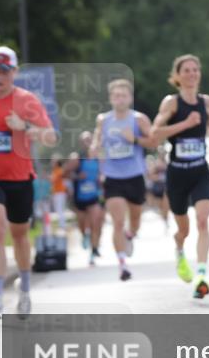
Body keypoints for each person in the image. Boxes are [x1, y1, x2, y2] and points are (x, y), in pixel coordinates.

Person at [0, 46, 56, 318]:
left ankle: (24, 290)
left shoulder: (26, 101)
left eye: (5, 70)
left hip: (20, 177)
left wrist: (24, 127)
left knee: (20, 234)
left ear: (14, 72)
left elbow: (51, 137)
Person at [150, 54, 209, 299]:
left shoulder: (207, 103)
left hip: (200, 170)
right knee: (184, 229)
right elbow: (155, 133)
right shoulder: (171, 104)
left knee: (203, 220)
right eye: (187, 70)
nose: (192, 74)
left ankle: (201, 275)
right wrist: (184, 124)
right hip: (177, 174)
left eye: (195, 70)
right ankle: (179, 247)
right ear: (178, 76)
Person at [91, 79, 154, 282]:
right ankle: (122, 265)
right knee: (117, 221)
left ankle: (130, 235)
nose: (119, 99)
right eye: (116, 96)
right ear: (111, 98)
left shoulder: (139, 119)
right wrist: (94, 147)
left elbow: (153, 141)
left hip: (135, 175)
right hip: (113, 177)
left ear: (130, 98)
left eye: (123, 95)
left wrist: (134, 139)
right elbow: (97, 140)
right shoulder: (103, 119)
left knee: (135, 220)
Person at [72, 131, 104, 264]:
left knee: (95, 223)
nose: (88, 142)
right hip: (80, 197)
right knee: (82, 224)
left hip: (94, 196)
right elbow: (66, 174)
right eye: (85, 140)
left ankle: (93, 250)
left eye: (89, 139)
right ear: (81, 143)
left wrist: (101, 180)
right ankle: (84, 235)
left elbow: (104, 174)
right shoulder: (76, 158)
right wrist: (78, 177)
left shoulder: (99, 158)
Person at [146, 156, 170, 231]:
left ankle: (166, 221)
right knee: (159, 207)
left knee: (165, 206)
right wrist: (158, 177)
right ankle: (163, 218)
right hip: (155, 189)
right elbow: (150, 176)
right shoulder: (155, 169)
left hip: (164, 190)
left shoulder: (167, 169)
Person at [49, 155, 68, 233]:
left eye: (53, 161)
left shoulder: (59, 170)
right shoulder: (55, 170)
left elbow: (54, 180)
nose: (52, 163)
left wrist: (49, 178)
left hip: (60, 192)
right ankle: (61, 224)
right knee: (58, 209)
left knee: (60, 209)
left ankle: (62, 225)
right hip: (57, 192)